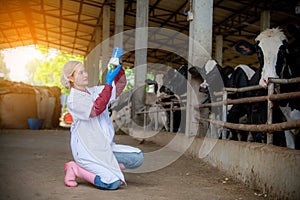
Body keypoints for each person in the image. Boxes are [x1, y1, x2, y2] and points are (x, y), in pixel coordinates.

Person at [60, 47, 144, 190]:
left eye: (84, 71)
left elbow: (118, 87)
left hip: (104, 147)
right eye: (80, 73)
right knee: (111, 183)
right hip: (88, 150)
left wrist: (117, 68)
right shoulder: (74, 100)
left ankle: (107, 167)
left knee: (137, 158)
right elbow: (96, 110)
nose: (85, 75)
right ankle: (76, 169)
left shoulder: (93, 91)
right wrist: (107, 83)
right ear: (71, 78)